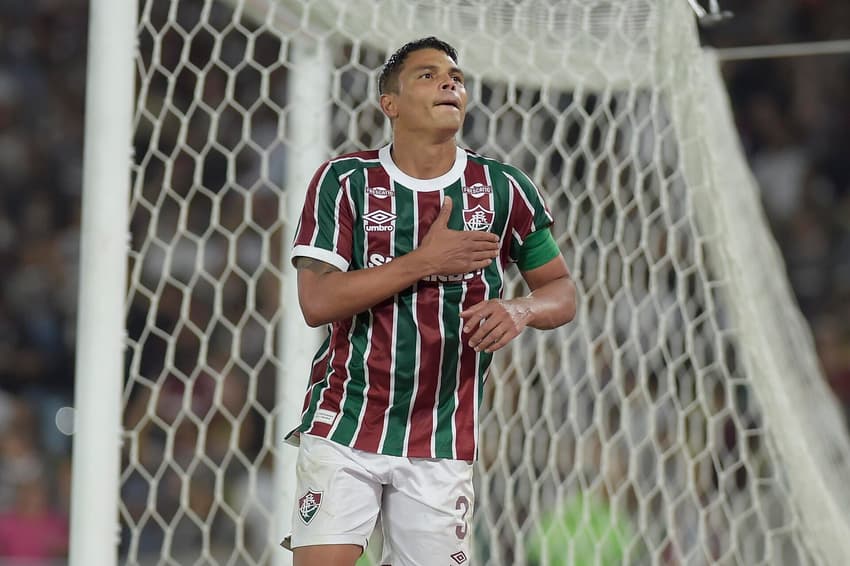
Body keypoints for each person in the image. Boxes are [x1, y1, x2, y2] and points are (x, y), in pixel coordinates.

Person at [283, 36, 577, 566]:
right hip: (346, 421)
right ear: (389, 103)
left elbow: (561, 289)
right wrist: (424, 261)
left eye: (455, 77)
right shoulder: (345, 181)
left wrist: (520, 310)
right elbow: (317, 302)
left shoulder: (504, 189)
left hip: (441, 432)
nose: (449, 82)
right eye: (427, 74)